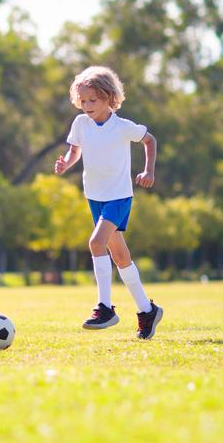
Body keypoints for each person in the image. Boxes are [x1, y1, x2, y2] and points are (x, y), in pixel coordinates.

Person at [54, 66, 164, 340]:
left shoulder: (122, 127)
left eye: (93, 100)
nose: (87, 106)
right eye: (83, 101)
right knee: (120, 256)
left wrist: (148, 171)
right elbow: (75, 150)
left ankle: (104, 307)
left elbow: (149, 140)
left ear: (108, 98)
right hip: (94, 196)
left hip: (118, 196)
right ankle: (147, 310)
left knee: (95, 243)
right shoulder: (80, 124)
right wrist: (67, 162)